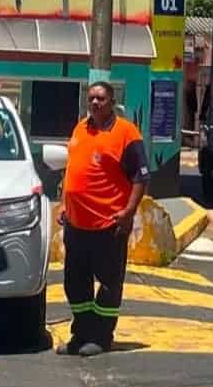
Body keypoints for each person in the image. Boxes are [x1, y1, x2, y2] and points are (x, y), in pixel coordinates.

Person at [56, 81, 151, 357]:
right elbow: (72, 169)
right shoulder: (80, 128)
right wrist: (64, 203)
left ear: (112, 102)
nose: (95, 103)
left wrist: (128, 212)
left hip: (108, 225)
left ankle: (101, 336)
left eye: (100, 99)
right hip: (76, 225)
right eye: (91, 99)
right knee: (75, 283)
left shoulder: (126, 133)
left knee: (109, 284)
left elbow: (141, 176)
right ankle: (81, 333)